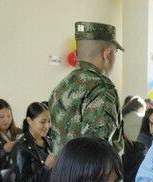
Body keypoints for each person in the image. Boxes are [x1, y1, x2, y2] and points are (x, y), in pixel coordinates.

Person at [49, 21, 124, 156]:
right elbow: (99, 149)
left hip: (62, 175)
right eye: (115, 52)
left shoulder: (60, 87)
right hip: (94, 176)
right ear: (107, 54)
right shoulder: (101, 89)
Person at [12, 101, 54, 182]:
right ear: (30, 121)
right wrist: (46, 167)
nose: (47, 126)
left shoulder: (49, 142)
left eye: (49, 122)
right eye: (42, 122)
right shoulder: (21, 146)